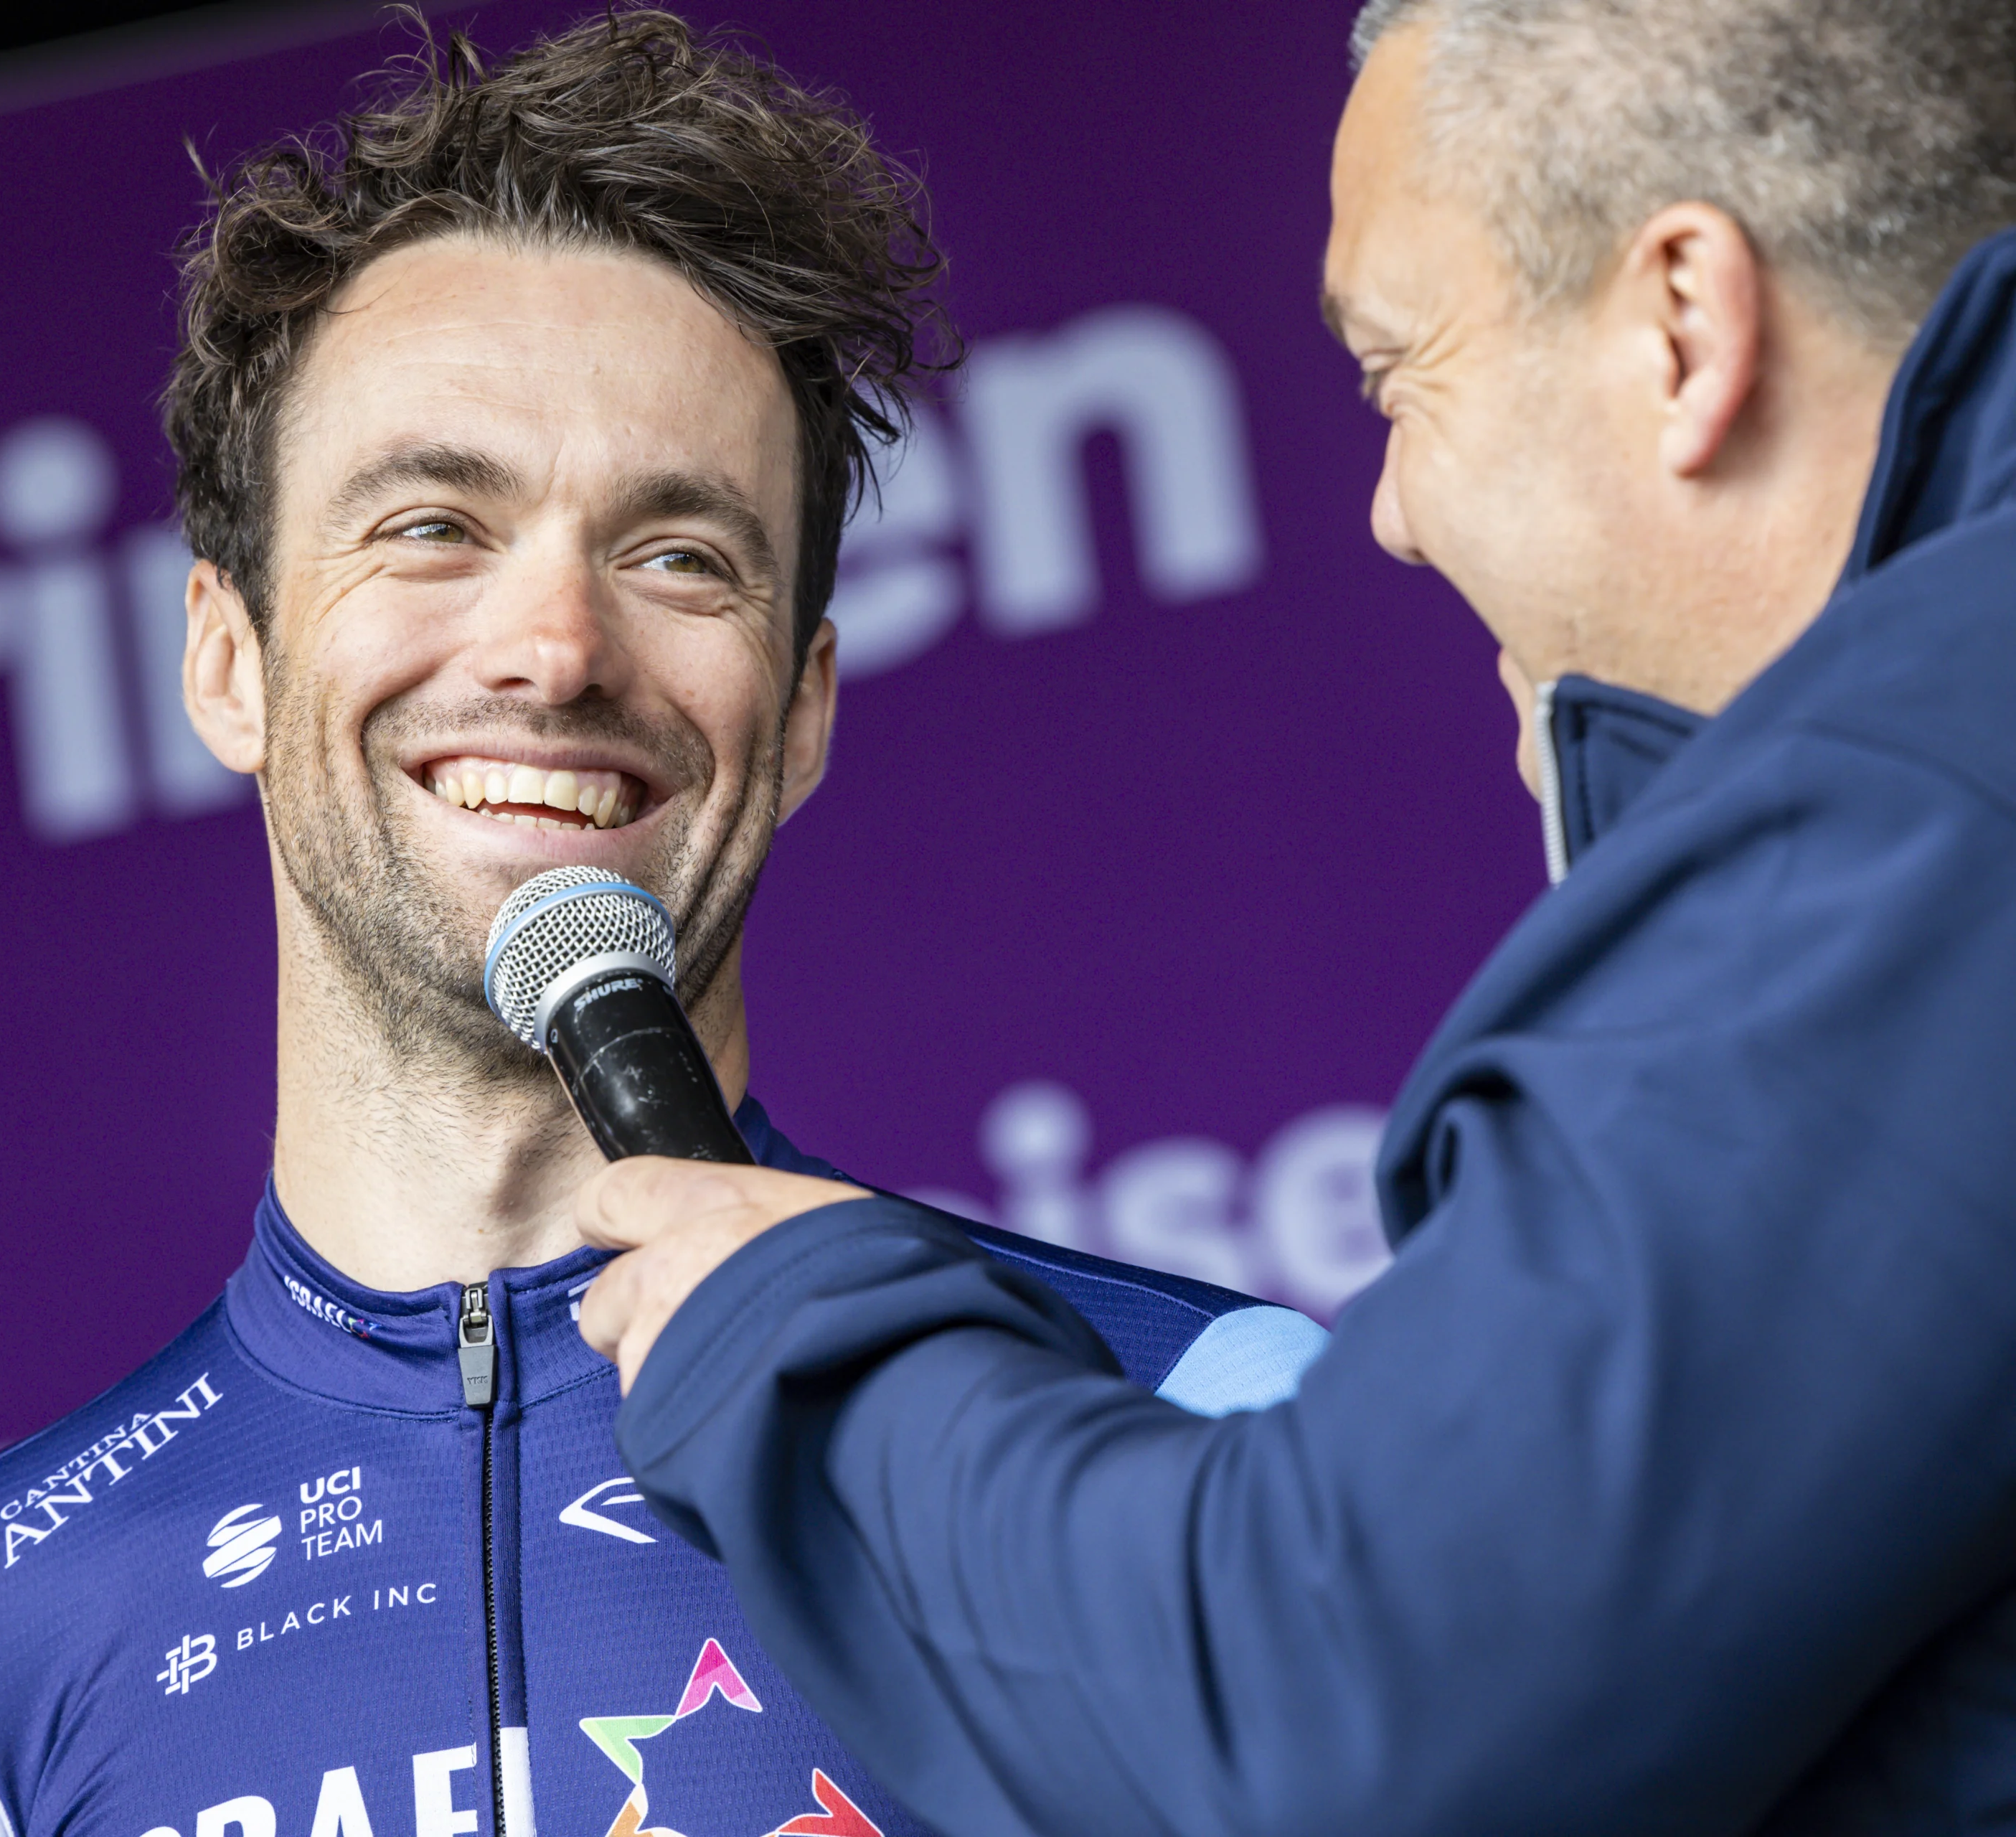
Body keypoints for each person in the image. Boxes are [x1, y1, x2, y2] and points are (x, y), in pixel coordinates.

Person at [0, 16, 1323, 1836]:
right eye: (431, 524)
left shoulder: (1207, 1431)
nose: (556, 649)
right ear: (228, 657)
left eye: (679, 556)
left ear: (803, 708)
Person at [573, 2, 2016, 1833]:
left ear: (1681, 325)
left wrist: (787, 1333)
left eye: (1400, 375)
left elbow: (1344, 1702)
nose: (1394, 513)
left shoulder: (1935, 788)